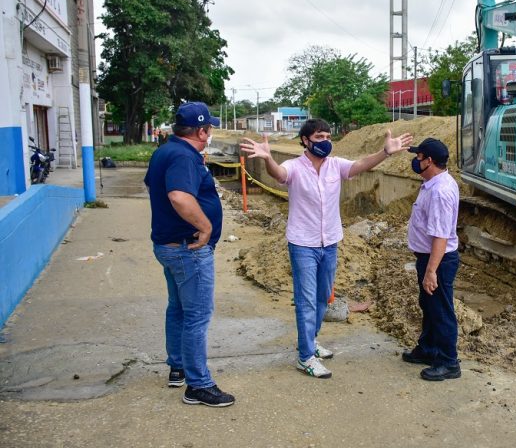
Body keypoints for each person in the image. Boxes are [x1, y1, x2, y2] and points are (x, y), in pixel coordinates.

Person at [240, 119, 412, 379]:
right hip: (303, 244)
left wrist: (385, 152)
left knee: (323, 298)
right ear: (306, 141)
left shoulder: (335, 166)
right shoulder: (295, 167)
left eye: (328, 136)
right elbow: (279, 175)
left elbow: (360, 166)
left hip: (330, 242)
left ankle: (310, 340)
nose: (325, 141)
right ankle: (305, 356)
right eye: (319, 137)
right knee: (306, 300)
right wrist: (267, 159)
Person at [144, 101, 235, 407]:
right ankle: (198, 385)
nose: (210, 133)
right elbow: (179, 197)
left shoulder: (166, 152)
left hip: (169, 246)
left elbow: (157, 188)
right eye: (209, 128)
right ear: (201, 131)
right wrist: (206, 227)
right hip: (188, 250)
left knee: (179, 309)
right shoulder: (183, 157)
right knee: (197, 315)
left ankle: (178, 366)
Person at [401, 137, 461, 381]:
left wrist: (431, 271)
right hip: (428, 258)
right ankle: (428, 349)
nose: (416, 161)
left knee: (441, 311)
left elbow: (440, 237)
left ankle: (448, 362)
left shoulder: (440, 192)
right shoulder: (432, 183)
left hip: (438, 260)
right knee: (428, 306)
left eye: (419, 157)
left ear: (430, 161)